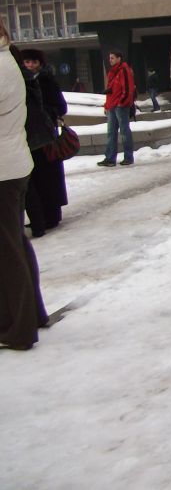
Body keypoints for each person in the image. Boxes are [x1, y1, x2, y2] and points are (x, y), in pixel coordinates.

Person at [0, 18, 48, 349]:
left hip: (3, 169)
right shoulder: (8, 61)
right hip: (12, 164)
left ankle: (18, 329)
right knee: (14, 242)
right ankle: (33, 314)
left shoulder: (1, 66)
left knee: (6, 250)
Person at [21, 49, 69, 237]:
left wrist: (46, 113)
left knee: (48, 175)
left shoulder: (45, 80)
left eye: (33, 62)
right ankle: (42, 215)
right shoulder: (27, 81)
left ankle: (52, 214)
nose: (30, 65)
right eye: (27, 62)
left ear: (40, 63)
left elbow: (61, 106)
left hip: (47, 135)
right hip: (36, 134)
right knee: (40, 177)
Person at [98, 48, 136, 167]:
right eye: (109, 58)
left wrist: (122, 103)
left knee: (124, 132)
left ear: (119, 58)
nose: (110, 60)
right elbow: (111, 90)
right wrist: (107, 105)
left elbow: (128, 89)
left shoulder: (124, 70)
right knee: (111, 133)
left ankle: (128, 157)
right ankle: (110, 158)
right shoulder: (112, 72)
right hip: (112, 106)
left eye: (112, 58)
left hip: (120, 106)